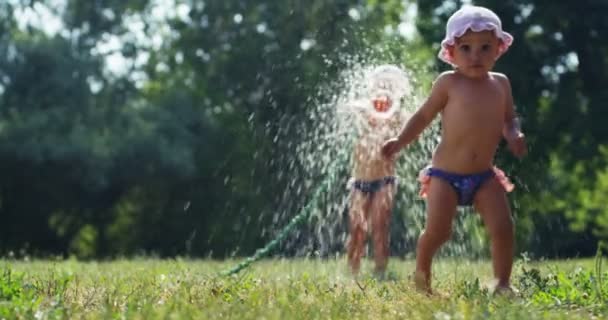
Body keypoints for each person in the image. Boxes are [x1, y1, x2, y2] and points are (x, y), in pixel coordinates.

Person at [382, 6, 527, 294]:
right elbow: (423, 116)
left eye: (485, 47)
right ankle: (422, 280)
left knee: (502, 226)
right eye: (466, 48)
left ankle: (502, 282)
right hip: (445, 176)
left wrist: (514, 134)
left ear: (498, 48)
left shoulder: (500, 84)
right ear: (452, 51)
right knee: (439, 232)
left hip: (484, 176)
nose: (476, 55)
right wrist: (399, 141)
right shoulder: (448, 83)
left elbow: (509, 118)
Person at [346, 65, 408, 278]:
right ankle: (351, 271)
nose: (384, 90)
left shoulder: (397, 115)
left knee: (380, 226)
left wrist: (390, 114)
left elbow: (406, 130)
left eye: (389, 87)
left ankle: (380, 271)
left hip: (385, 180)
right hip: (359, 180)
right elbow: (349, 108)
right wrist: (366, 110)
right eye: (380, 86)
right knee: (357, 228)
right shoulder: (363, 110)